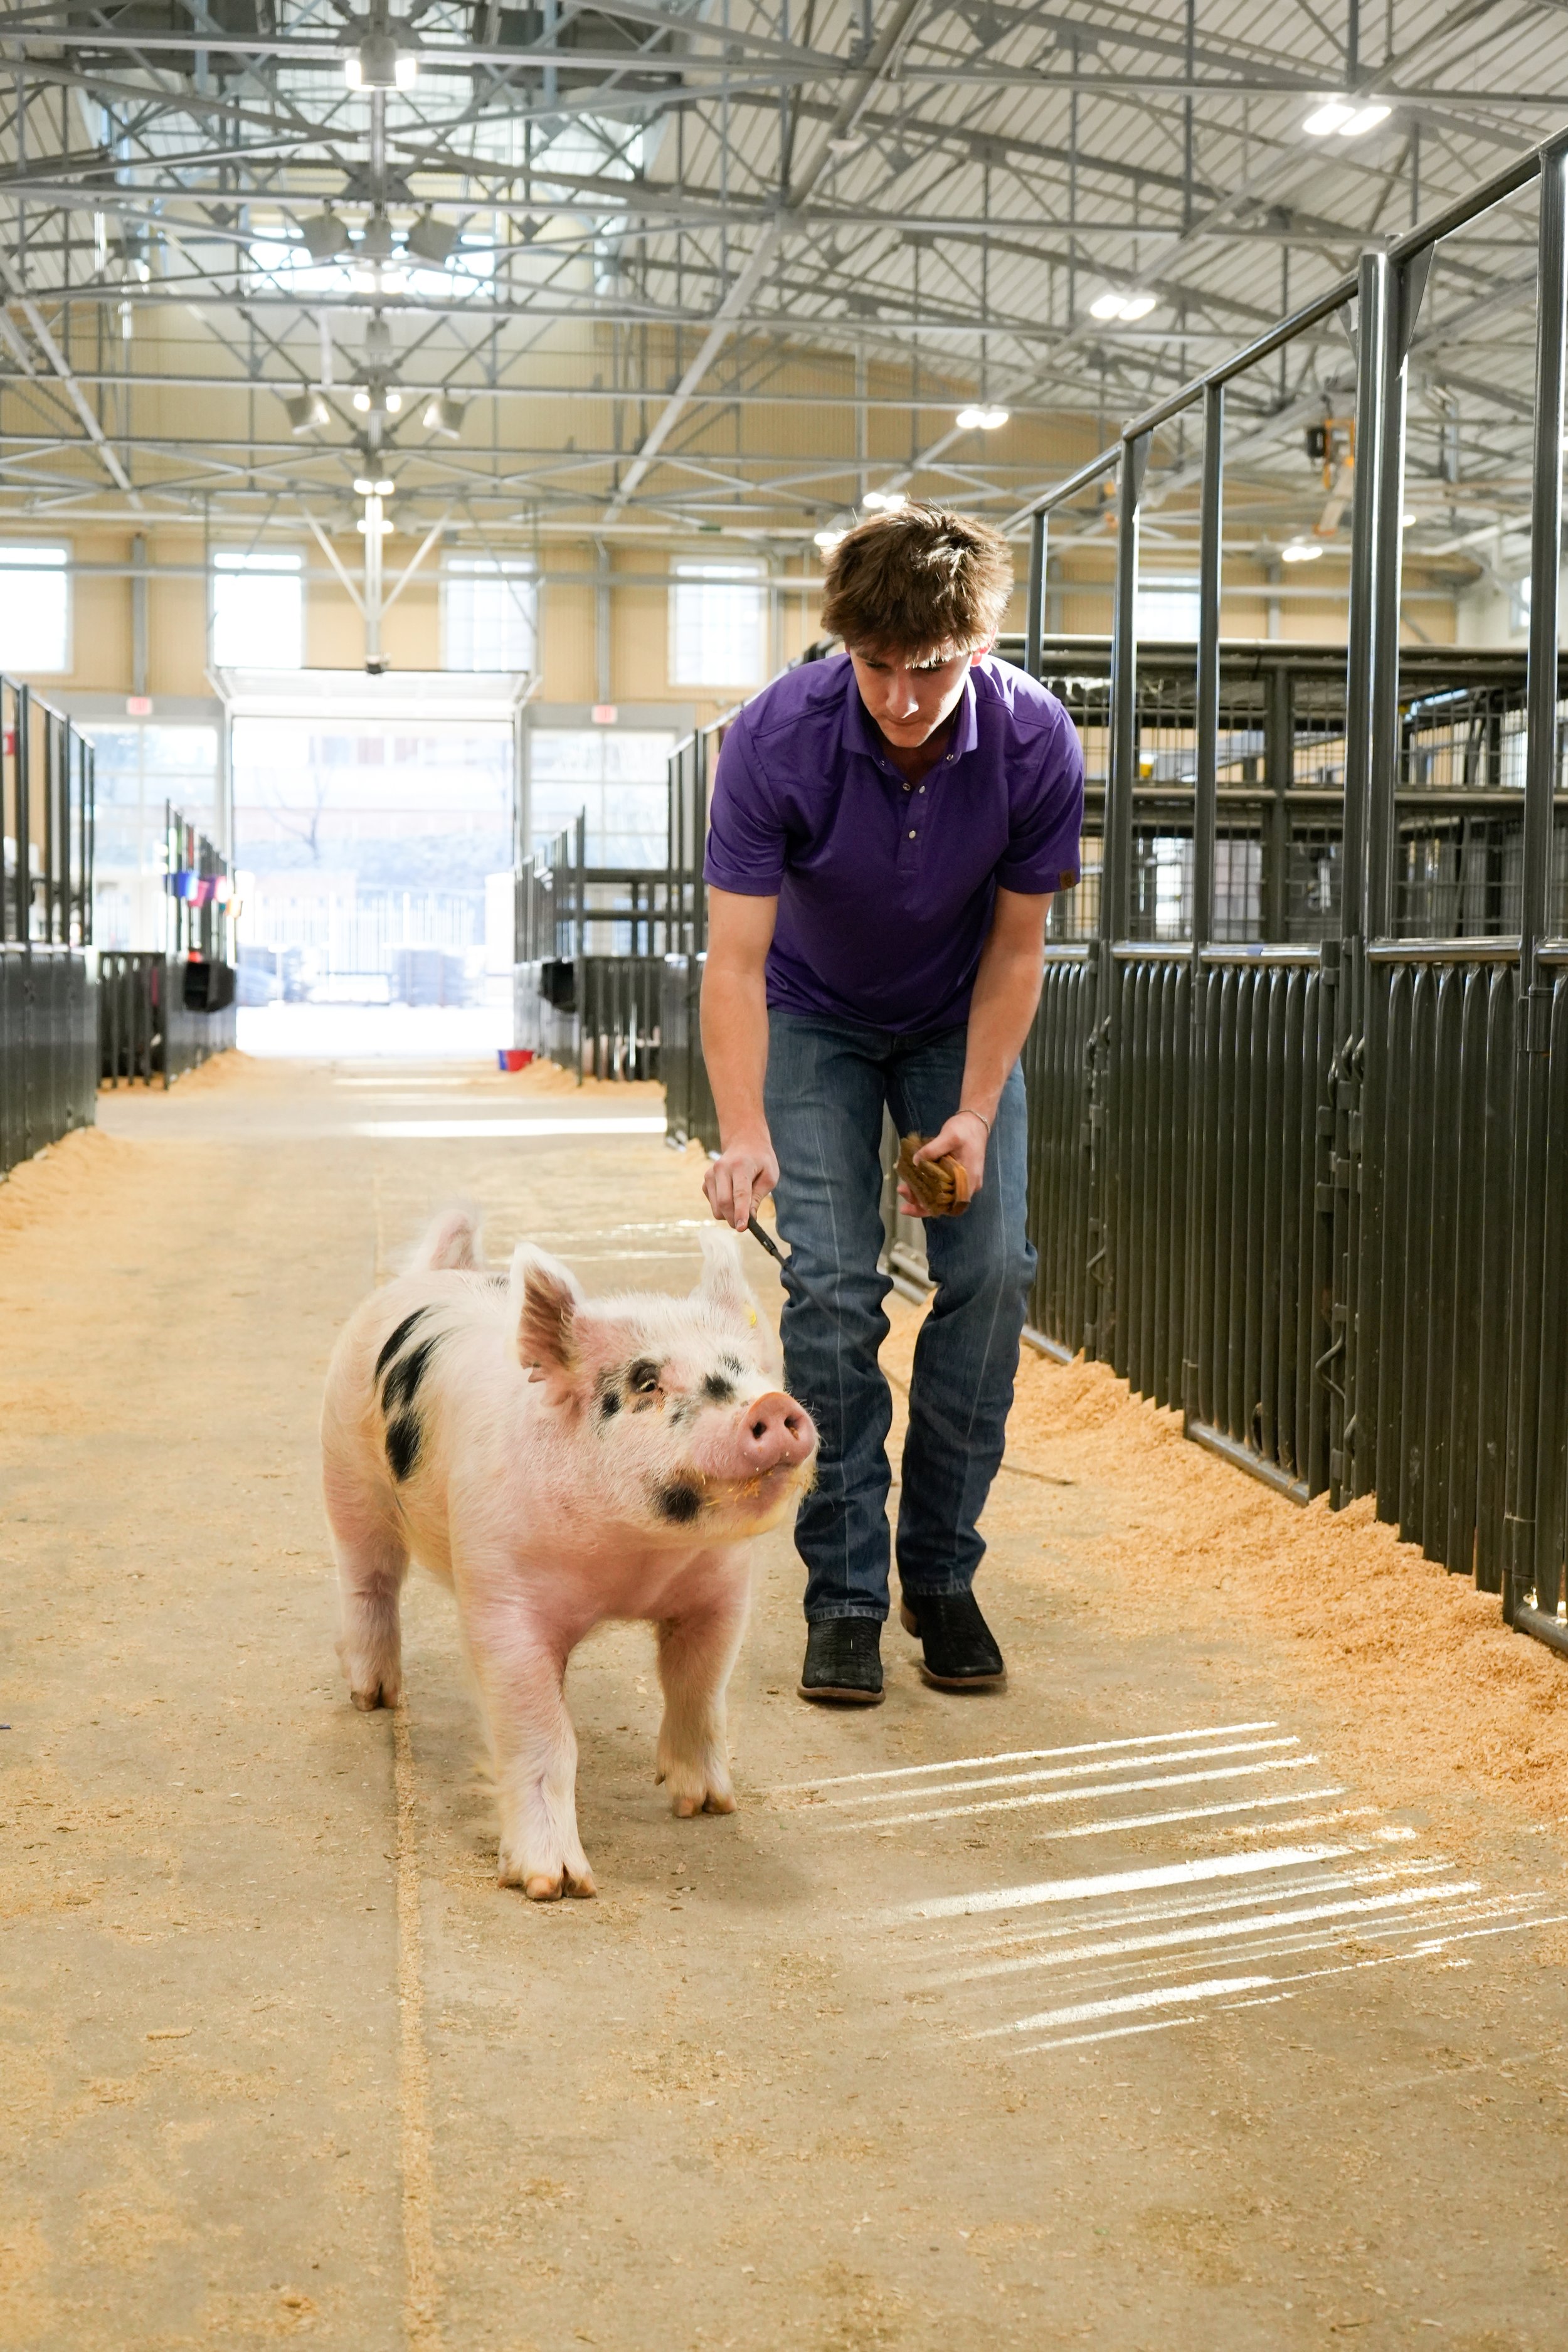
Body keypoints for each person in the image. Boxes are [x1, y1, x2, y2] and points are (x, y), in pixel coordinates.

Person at [698, 505, 1084, 1705]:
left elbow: (1020, 946)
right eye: (877, 666)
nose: (904, 697)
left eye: (932, 668)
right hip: (814, 1014)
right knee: (832, 1284)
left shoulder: (1035, 741)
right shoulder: (774, 738)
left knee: (993, 1272)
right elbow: (735, 961)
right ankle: (849, 1594)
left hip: (956, 1015)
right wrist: (744, 1130)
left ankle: (941, 1570)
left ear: (979, 642)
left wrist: (972, 1113)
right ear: (843, 645)